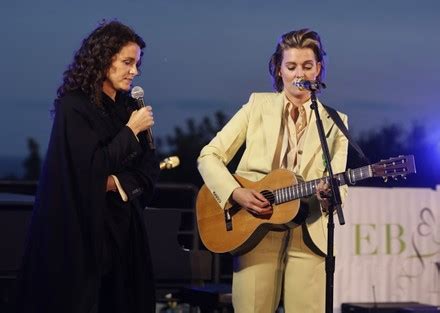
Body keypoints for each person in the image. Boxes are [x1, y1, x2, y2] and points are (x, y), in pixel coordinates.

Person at [197, 29, 348, 313]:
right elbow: (209, 156)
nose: (298, 73)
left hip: (309, 233)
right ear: (279, 70)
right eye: (290, 67)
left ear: (319, 69)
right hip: (254, 230)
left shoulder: (336, 123)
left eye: (307, 66)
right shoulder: (257, 106)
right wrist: (235, 192)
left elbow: (339, 181)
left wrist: (331, 196)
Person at [16, 20, 160, 313]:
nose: (135, 71)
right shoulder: (75, 106)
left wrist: (117, 183)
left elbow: (149, 167)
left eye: (137, 64)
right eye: (127, 62)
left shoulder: (129, 107)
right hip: (82, 234)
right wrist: (130, 132)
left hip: (125, 230)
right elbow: (88, 170)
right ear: (105, 58)